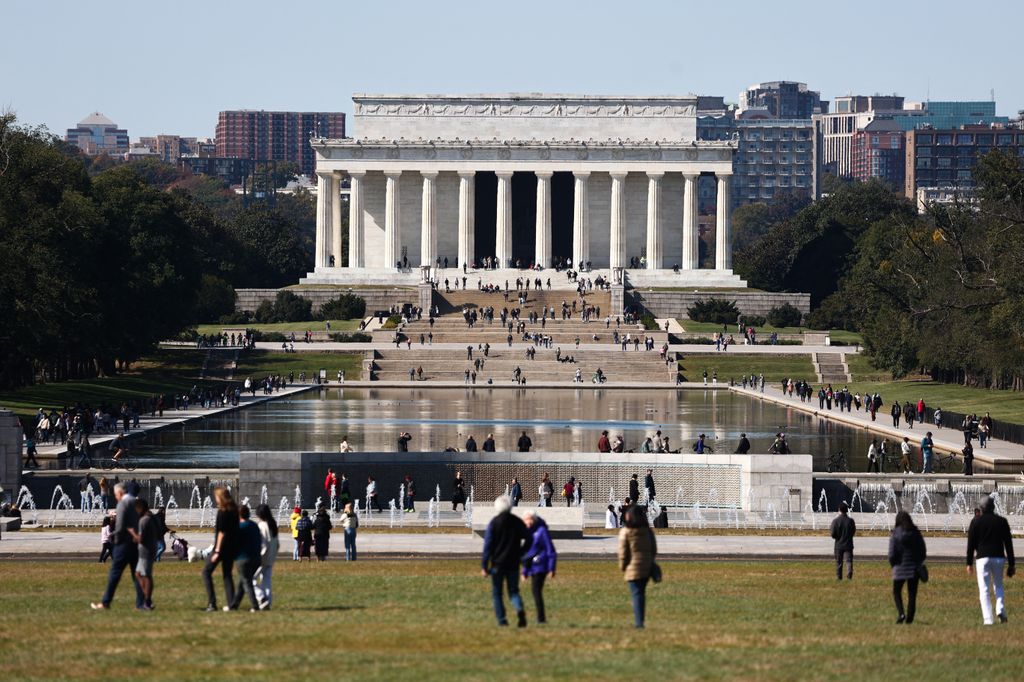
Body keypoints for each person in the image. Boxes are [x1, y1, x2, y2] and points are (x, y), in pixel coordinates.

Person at [91, 483, 144, 610]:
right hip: (135, 544)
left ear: (120, 493)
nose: (116, 498)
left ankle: (105, 602)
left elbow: (120, 528)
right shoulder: (136, 502)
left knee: (114, 574)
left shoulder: (122, 504)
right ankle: (142, 603)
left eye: (115, 495)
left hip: (123, 545)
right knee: (137, 575)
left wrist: (113, 537)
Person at [480, 495, 532, 627]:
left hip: (497, 563)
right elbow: (529, 538)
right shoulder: (517, 522)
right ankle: (519, 609)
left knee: (497, 593)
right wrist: (521, 552)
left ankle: (502, 620)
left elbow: (488, 546)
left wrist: (484, 566)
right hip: (514, 563)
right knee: (513, 591)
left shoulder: (494, 523)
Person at [966, 496, 1016, 625]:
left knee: (984, 589)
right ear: (993, 507)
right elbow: (1008, 544)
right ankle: (1000, 609)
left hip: (983, 558)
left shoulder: (976, 522)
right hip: (999, 557)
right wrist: (1011, 564)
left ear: (981, 508)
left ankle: (988, 619)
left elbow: (971, 544)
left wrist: (968, 563)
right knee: (998, 585)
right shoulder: (1002, 521)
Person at [618, 505, 657, 629]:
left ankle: (639, 623)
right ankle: (640, 620)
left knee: (636, 594)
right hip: (646, 567)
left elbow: (623, 552)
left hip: (632, 567)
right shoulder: (648, 531)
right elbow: (654, 550)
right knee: (641, 593)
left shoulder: (626, 532)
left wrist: (622, 566)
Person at [202, 487, 240, 612]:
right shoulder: (234, 511)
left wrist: (217, 550)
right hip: (231, 548)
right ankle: (232, 603)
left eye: (216, 496)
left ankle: (212, 603)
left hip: (221, 548)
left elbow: (221, 533)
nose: (215, 499)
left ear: (221, 497)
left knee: (206, 572)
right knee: (227, 575)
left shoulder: (223, 512)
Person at [888, 511, 927, 624]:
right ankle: (910, 618)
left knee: (896, 592)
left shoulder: (895, 534)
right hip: (914, 568)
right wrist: (919, 562)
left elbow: (891, 553)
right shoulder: (915, 533)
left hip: (900, 567)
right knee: (912, 594)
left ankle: (901, 613)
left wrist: (893, 564)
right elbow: (923, 551)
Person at [521, 511, 557, 625]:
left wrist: (551, 568)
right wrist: (525, 571)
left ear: (534, 519)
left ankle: (541, 619)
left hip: (540, 566)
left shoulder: (541, 531)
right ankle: (540, 618)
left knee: (536, 591)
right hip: (532, 566)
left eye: (529, 519)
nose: (527, 522)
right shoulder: (528, 533)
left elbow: (550, 550)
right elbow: (527, 554)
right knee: (536, 592)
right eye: (525, 520)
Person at [226, 505, 262, 611]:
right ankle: (234, 605)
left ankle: (255, 606)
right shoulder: (254, 525)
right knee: (243, 582)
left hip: (243, 558)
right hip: (256, 558)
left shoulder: (239, 527)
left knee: (247, 582)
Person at [254, 503, 279, 610]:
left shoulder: (262, 526)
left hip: (262, 557)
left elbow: (262, 543)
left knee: (250, 580)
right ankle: (267, 601)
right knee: (266, 580)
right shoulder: (273, 524)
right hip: (271, 557)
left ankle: (261, 596)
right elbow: (277, 543)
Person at [830, 501, 856, 580]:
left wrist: (837, 537)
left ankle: (839, 576)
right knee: (848, 561)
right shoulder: (850, 521)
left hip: (839, 545)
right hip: (848, 544)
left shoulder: (836, 521)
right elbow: (853, 531)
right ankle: (849, 572)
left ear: (839, 509)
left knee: (839, 562)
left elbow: (833, 533)